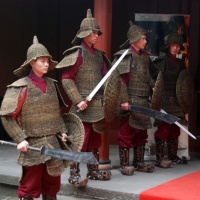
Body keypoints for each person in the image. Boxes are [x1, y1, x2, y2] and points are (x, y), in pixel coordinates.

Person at [0, 36, 69, 200]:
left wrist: (63, 132)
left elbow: (56, 113)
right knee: (30, 186)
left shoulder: (52, 85)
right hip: (33, 144)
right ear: (32, 63)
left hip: (53, 143)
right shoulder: (20, 87)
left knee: (52, 184)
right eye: (42, 61)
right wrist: (20, 139)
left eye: (47, 61)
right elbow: (7, 117)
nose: (46, 64)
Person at [56, 8, 111, 187]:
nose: (96, 35)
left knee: (95, 139)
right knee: (80, 138)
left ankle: (93, 170)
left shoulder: (100, 56)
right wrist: (78, 99)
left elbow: (106, 81)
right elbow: (66, 80)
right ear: (84, 33)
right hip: (82, 105)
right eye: (93, 32)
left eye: (97, 32)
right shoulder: (77, 53)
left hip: (96, 105)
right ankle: (75, 174)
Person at [112, 21, 157, 175]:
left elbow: (147, 75)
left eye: (145, 38)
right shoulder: (126, 56)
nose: (145, 41)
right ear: (135, 38)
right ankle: (125, 164)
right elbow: (120, 81)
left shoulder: (144, 56)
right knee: (127, 132)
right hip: (130, 101)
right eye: (143, 38)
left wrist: (153, 86)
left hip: (144, 100)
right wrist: (124, 100)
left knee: (142, 133)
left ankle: (139, 162)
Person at [151, 33, 191, 168]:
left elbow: (184, 83)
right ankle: (159, 158)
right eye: (173, 45)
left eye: (178, 46)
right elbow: (153, 79)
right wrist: (153, 88)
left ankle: (173, 156)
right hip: (165, 101)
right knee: (164, 129)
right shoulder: (161, 62)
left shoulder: (180, 63)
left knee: (175, 130)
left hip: (177, 101)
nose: (175, 48)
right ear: (168, 47)